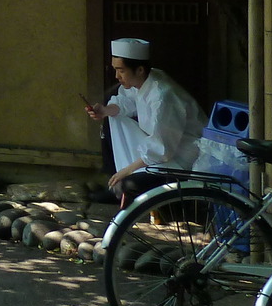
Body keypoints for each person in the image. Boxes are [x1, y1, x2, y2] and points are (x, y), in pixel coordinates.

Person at [83, 37, 205, 198]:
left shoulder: (163, 97)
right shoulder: (144, 80)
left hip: (178, 162)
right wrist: (104, 110)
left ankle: (119, 187)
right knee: (111, 118)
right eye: (115, 70)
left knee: (128, 185)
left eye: (121, 70)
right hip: (160, 152)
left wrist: (127, 171)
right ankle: (115, 182)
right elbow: (126, 101)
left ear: (139, 70)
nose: (117, 76)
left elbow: (161, 150)